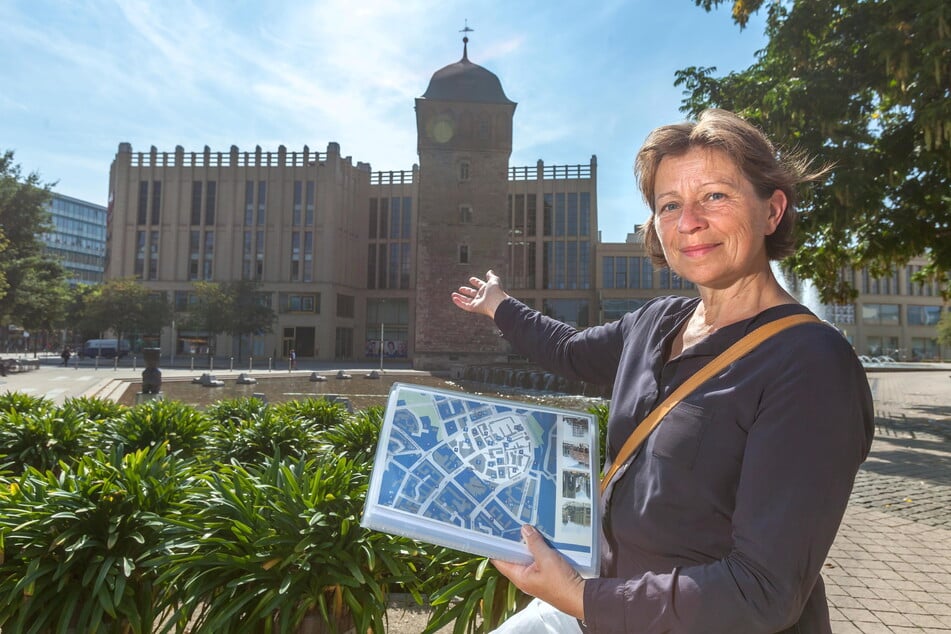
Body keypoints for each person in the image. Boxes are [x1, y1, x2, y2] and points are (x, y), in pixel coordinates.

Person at [451, 109, 874, 634]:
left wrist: (585, 598)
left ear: (772, 211)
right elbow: (570, 351)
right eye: (669, 204)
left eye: (715, 196)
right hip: (593, 606)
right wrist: (499, 305)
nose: (688, 221)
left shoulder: (810, 365)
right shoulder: (657, 322)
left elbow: (761, 591)